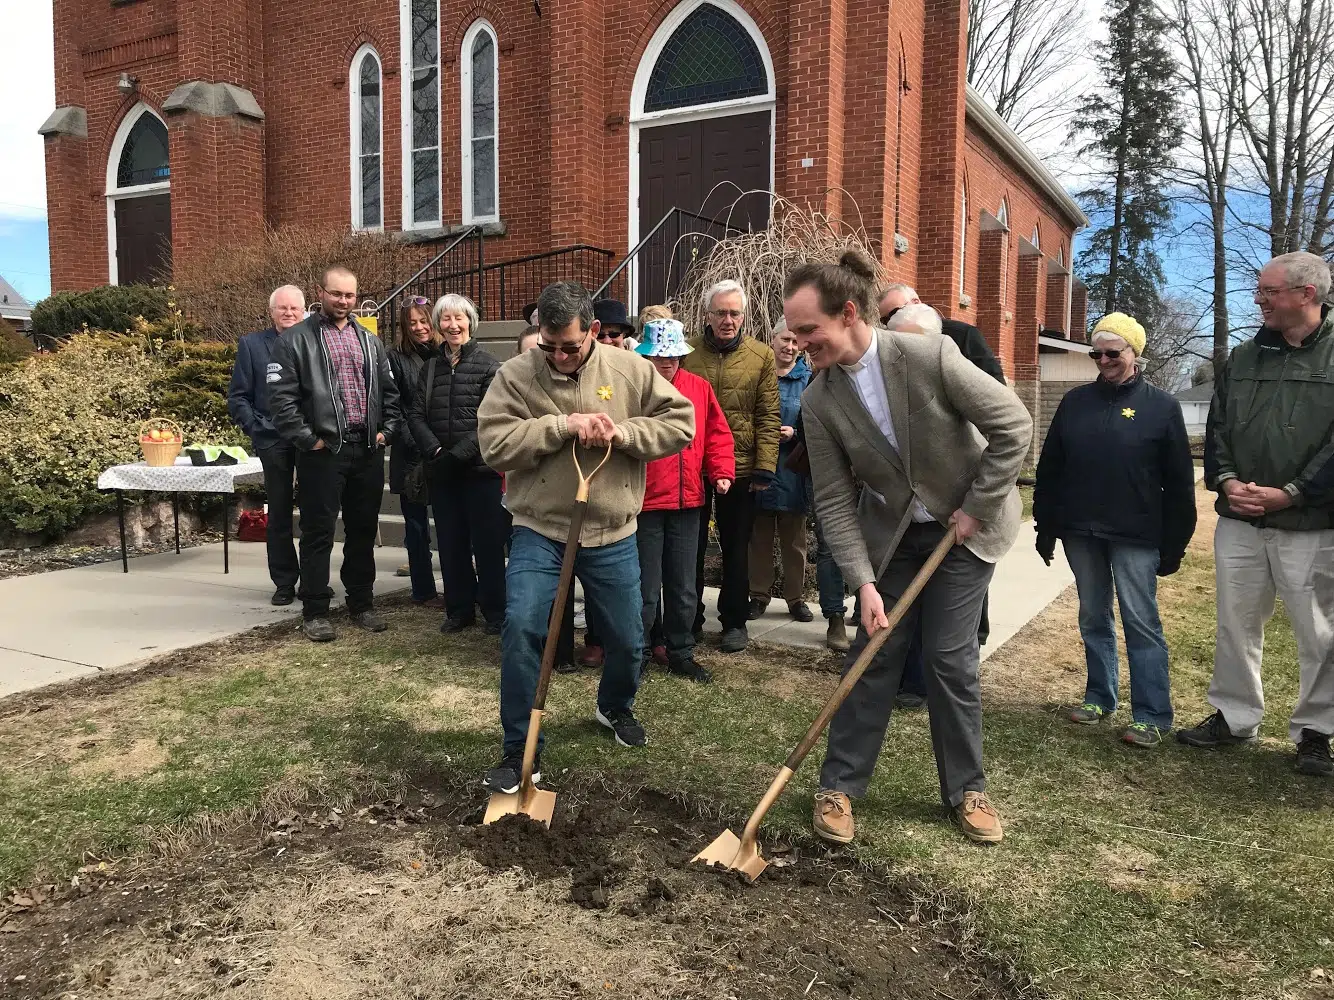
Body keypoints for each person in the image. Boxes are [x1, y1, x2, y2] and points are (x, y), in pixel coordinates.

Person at [785, 251, 1032, 846]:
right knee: (874, 652)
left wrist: (977, 505)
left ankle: (967, 790)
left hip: (965, 531)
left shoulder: (927, 355)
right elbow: (837, 502)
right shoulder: (819, 401)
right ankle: (839, 786)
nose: (799, 344)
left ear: (847, 314)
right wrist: (863, 582)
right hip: (895, 536)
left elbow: (1014, 426)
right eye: (793, 333)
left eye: (808, 330)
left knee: (949, 658)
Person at [477, 281, 694, 793]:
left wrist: (624, 434)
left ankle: (614, 706)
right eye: (549, 347)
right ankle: (519, 746)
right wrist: (560, 426)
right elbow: (494, 445)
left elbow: (680, 424)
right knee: (524, 625)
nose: (559, 357)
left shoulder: (630, 370)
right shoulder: (515, 376)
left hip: (613, 530)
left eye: (570, 347)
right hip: (540, 528)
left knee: (627, 635)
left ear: (594, 331)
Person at [1183, 250, 1334, 776]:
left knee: (1319, 631)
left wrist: (1293, 492)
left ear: (1306, 295)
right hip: (1241, 520)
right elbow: (1219, 426)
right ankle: (1234, 715)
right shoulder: (1244, 358)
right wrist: (1225, 480)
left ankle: (1317, 732)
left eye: (1269, 291)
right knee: (1235, 621)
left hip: (1311, 523)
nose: (1259, 299)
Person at [1034, 312, 1196, 748]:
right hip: (1081, 530)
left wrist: (1175, 542)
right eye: (1096, 353)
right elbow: (1051, 467)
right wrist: (1046, 525)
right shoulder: (1075, 403)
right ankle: (1099, 696)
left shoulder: (1162, 406)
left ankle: (1152, 714)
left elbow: (1180, 480)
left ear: (1135, 353)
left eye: (1113, 352)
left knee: (1140, 621)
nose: (1103, 360)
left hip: (1136, 532)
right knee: (1093, 615)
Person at [882, 296, 1004, 705]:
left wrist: (976, 507)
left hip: (962, 511)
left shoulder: (960, 354)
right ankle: (911, 682)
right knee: (907, 612)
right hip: (910, 515)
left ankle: (944, 684)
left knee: (949, 639)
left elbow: (1008, 427)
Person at [269, 266, 400, 642]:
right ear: (320, 292)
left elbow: (389, 394)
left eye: (349, 295)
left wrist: (387, 432)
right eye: (336, 294)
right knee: (318, 533)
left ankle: (362, 603)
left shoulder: (369, 340)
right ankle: (314, 610)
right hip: (323, 453)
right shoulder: (295, 340)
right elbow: (281, 401)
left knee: (362, 530)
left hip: (366, 450)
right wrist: (309, 440)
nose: (343, 301)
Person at [682, 279, 781, 653]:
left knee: (736, 547)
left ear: (743, 316)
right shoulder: (686, 351)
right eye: (720, 312)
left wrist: (764, 467)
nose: (728, 320)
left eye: (734, 313)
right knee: (689, 547)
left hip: (740, 469)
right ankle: (688, 619)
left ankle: (734, 621)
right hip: (691, 465)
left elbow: (768, 415)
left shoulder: (761, 356)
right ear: (707, 315)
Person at [636, 317, 735, 683]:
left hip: (687, 500)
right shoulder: (633, 388)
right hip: (645, 503)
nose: (667, 362)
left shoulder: (699, 388)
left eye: (674, 355)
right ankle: (640, 651)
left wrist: (721, 470)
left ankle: (680, 651)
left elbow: (717, 435)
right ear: (646, 356)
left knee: (683, 585)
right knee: (645, 586)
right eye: (660, 355)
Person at [409, 293, 507, 634]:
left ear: (470, 322)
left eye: (459, 318)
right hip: (442, 471)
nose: (453, 325)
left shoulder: (489, 366)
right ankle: (459, 609)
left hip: (481, 471)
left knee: (488, 545)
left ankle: (495, 612)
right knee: (451, 543)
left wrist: (455, 456)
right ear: (438, 324)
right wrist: (436, 453)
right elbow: (416, 414)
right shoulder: (430, 368)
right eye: (445, 319)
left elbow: (491, 420)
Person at [227, 284, 306, 606]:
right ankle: (285, 582)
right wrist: (258, 429)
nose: (288, 313)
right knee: (280, 512)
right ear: (271, 311)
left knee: (316, 513)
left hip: (312, 439)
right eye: (282, 308)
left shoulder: (315, 342)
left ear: (304, 312)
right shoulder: (252, 345)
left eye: (294, 309)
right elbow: (238, 397)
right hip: (273, 440)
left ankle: (314, 581)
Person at [748, 320, 815, 623]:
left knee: (794, 541)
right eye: (785, 340)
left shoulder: (808, 381)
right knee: (758, 538)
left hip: (791, 472)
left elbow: (817, 426)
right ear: (772, 340)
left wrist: (796, 435)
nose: (790, 347)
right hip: (760, 470)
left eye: (795, 342)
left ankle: (795, 598)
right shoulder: (759, 376)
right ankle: (758, 596)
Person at [386, 296, 444, 609]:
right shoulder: (394, 357)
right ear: (405, 328)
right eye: (413, 323)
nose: (420, 327)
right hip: (411, 454)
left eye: (425, 320)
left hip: (443, 450)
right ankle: (423, 590)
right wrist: (421, 441)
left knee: (449, 522)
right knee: (417, 527)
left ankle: (459, 585)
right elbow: (395, 407)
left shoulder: (445, 352)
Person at [878, 283, 1006, 383]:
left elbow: (995, 382)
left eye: (895, 313)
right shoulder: (892, 348)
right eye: (885, 320)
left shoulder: (963, 335)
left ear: (916, 302)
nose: (890, 323)